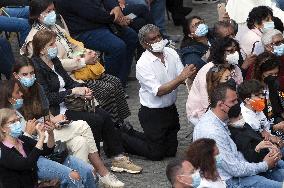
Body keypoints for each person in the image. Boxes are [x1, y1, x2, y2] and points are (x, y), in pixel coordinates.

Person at [31, 30, 142, 174]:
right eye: (51, 44)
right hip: (58, 110)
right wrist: (72, 92)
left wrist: (82, 89)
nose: (55, 47)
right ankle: (95, 162)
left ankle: (118, 157)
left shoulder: (55, 61)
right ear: (41, 50)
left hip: (71, 102)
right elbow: (47, 97)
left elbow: (69, 82)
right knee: (95, 120)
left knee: (105, 115)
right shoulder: (37, 68)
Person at [6, 61, 125, 187]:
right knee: (83, 126)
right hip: (36, 138)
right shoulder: (11, 94)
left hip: (47, 130)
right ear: (16, 75)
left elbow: (47, 114)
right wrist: (48, 123)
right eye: (25, 74)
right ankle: (102, 172)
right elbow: (25, 131)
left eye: (32, 73)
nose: (29, 77)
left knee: (80, 142)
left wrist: (54, 121)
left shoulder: (37, 88)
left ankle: (80, 181)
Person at [21, 0, 132, 125]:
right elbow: (54, 65)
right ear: (37, 15)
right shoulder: (34, 39)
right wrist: (83, 61)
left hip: (77, 70)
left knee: (115, 82)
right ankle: (112, 125)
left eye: (53, 10)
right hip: (67, 78)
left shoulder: (55, 26)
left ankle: (121, 123)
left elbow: (71, 44)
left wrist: (86, 52)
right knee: (107, 89)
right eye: (48, 11)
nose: (53, 13)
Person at [120, 24, 196, 161]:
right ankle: (122, 138)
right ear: (144, 44)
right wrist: (181, 77)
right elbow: (159, 91)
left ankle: (131, 132)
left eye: (159, 36)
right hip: (152, 113)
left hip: (170, 109)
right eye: (153, 39)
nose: (158, 41)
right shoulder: (143, 64)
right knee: (156, 153)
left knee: (170, 151)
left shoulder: (171, 53)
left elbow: (182, 75)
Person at [194, 82, 284, 188]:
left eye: (237, 100)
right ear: (221, 105)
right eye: (233, 101)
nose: (237, 104)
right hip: (229, 181)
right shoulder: (212, 131)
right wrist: (264, 165)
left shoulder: (223, 119)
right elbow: (234, 169)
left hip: (245, 168)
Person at [55, 0, 138, 87]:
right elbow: (91, 13)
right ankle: (112, 85)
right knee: (117, 46)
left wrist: (116, 7)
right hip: (83, 29)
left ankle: (122, 77)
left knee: (131, 37)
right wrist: (116, 18)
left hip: (104, 21)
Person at [186, 37, 243, 125]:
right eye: (230, 51)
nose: (235, 53)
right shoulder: (208, 71)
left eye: (236, 50)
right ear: (220, 53)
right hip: (201, 111)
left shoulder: (236, 68)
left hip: (226, 105)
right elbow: (206, 101)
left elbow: (239, 92)